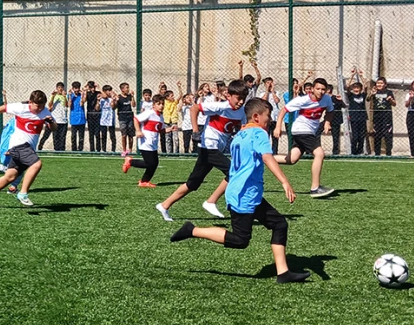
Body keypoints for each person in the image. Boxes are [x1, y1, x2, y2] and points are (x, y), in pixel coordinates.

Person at [169, 98, 311, 284]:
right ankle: (193, 230)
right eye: (268, 116)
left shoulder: (240, 135)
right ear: (256, 116)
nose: (270, 119)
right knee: (240, 240)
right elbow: (267, 158)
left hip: (245, 192)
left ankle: (283, 272)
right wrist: (284, 181)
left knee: (279, 224)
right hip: (245, 195)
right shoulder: (258, 133)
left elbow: (255, 157)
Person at [156, 79, 248, 222]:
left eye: (244, 98)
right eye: (238, 98)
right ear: (229, 96)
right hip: (208, 147)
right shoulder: (220, 106)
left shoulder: (241, 111)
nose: (241, 101)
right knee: (234, 171)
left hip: (215, 149)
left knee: (193, 183)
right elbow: (195, 109)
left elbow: (243, 129)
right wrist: (195, 130)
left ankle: (164, 205)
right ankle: (211, 201)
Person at [0, 90, 53, 208]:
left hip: (28, 148)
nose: (40, 109)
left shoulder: (44, 112)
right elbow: (4, 107)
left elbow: (54, 127)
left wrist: (51, 122)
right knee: (36, 164)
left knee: (10, 176)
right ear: (31, 102)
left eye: (42, 106)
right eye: (37, 106)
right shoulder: (21, 108)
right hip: (18, 145)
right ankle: (23, 193)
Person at [274, 77, 335, 198]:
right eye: (318, 89)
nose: (320, 92)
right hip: (301, 130)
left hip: (309, 132)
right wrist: (278, 126)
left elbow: (330, 111)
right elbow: (283, 111)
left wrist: (327, 122)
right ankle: (315, 188)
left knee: (291, 160)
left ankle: (262, 157)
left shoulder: (327, 99)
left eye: (323, 89)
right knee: (319, 153)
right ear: (312, 89)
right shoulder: (303, 100)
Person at [122, 94, 175, 188]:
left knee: (154, 164)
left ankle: (144, 181)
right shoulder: (149, 113)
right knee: (150, 163)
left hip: (153, 143)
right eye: (159, 104)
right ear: (153, 104)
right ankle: (130, 162)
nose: (161, 106)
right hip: (145, 141)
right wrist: (138, 131)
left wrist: (169, 129)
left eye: (162, 104)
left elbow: (160, 130)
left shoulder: (160, 117)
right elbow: (136, 119)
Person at [368, 76, 396, 156]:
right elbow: (368, 99)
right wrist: (371, 94)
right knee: (377, 135)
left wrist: (391, 100)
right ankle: (377, 153)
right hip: (377, 116)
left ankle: (388, 153)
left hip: (387, 116)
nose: (379, 84)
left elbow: (394, 104)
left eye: (381, 83)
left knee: (387, 135)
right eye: (378, 83)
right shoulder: (374, 92)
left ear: (385, 84)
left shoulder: (389, 92)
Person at [345, 69, 369, 156]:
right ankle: (353, 151)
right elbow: (347, 86)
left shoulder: (363, 95)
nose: (356, 89)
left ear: (360, 89)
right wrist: (352, 75)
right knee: (355, 136)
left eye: (358, 88)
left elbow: (366, 86)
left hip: (362, 117)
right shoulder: (351, 96)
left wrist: (361, 75)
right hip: (354, 118)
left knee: (361, 136)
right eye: (354, 88)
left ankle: (360, 151)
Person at [115, 82, 135, 157]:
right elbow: (115, 107)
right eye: (126, 88)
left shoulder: (129, 96)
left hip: (130, 117)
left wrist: (133, 97)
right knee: (124, 135)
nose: (128, 89)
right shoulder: (119, 97)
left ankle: (130, 149)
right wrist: (115, 100)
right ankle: (124, 150)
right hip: (122, 118)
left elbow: (133, 105)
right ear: (122, 89)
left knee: (131, 135)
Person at [326, 85, 345, 156]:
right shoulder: (324, 98)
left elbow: (344, 106)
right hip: (327, 120)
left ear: (328, 90)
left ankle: (335, 152)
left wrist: (341, 100)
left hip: (335, 120)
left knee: (335, 137)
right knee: (317, 132)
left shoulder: (335, 98)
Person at [68, 82, 87, 152]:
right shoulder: (70, 95)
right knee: (73, 136)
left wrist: (83, 95)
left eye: (78, 88)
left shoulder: (81, 95)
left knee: (81, 136)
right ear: (73, 88)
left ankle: (80, 149)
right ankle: (74, 149)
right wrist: (70, 96)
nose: (76, 90)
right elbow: (69, 105)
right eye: (75, 88)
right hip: (73, 119)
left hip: (81, 118)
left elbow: (82, 103)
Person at [85, 81, 101, 152]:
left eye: (94, 87)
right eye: (91, 87)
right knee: (91, 133)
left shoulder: (98, 93)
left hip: (97, 114)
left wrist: (99, 87)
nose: (93, 89)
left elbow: (104, 95)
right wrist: (86, 89)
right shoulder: (87, 93)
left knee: (97, 133)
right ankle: (92, 149)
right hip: (90, 114)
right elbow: (83, 101)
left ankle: (98, 149)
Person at [99, 85, 116, 152]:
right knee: (103, 135)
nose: (110, 92)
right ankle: (104, 150)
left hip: (111, 119)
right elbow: (98, 108)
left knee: (112, 135)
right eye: (108, 91)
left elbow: (113, 107)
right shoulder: (101, 99)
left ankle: (113, 150)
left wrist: (113, 99)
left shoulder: (113, 98)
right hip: (103, 119)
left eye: (110, 90)